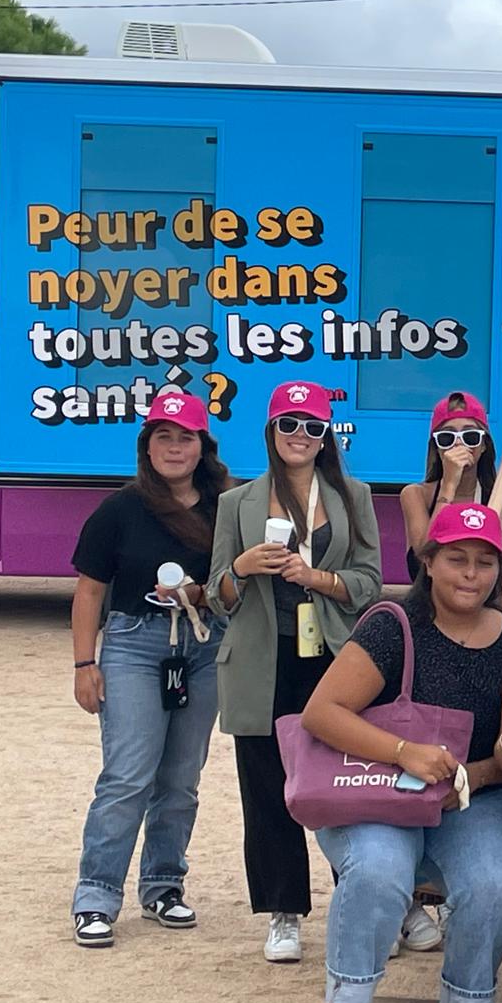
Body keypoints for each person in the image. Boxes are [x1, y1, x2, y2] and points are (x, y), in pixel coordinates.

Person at [301, 502, 502, 1003]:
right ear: (428, 561)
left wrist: (464, 779)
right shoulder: (393, 626)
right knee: (379, 872)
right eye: (457, 559)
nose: (471, 574)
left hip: (469, 797)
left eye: (484, 561)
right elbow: (321, 712)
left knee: (496, 885)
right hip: (377, 790)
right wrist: (404, 751)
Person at [208, 380, 382, 964]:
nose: (301, 436)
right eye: (290, 424)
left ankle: (367, 899)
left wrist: (318, 580)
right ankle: (284, 912)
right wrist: (242, 564)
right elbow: (216, 595)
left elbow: (369, 583)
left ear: (326, 434)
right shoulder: (237, 503)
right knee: (267, 789)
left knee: (344, 782)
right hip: (262, 660)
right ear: (270, 431)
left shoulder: (352, 496)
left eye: (313, 426)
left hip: (331, 657)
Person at [68, 393, 231, 948]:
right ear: (147, 446)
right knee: (127, 776)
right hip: (134, 647)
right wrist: (85, 663)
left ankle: (164, 885)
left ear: (202, 446)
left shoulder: (225, 507)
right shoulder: (121, 509)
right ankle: (96, 895)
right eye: (163, 436)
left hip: (203, 649)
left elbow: (238, 586)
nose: (174, 447)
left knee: (181, 778)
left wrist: (199, 593)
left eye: (185, 437)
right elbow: (90, 591)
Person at [402, 390, 502, 617]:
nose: (459, 445)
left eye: (470, 437)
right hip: (427, 621)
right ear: (437, 448)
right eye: (447, 438)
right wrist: (449, 486)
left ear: (484, 445)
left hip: (485, 623)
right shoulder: (415, 495)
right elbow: (424, 555)